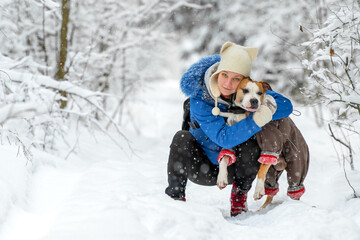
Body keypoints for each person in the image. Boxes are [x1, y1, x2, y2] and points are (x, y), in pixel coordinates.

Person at [165, 41, 293, 216]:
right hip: (202, 166)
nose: (227, 83)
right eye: (224, 75)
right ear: (217, 72)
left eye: (236, 79)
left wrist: (265, 107)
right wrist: (257, 119)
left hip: (237, 168)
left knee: (252, 146)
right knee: (181, 137)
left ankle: (239, 196)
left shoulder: (247, 93)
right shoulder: (199, 100)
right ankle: (175, 197)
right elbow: (224, 138)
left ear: (243, 81)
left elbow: (287, 106)